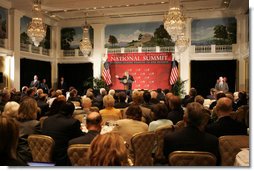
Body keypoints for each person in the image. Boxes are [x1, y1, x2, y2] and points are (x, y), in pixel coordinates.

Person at [42, 102, 83, 166]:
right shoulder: (73, 122)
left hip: (44, 154)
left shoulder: (47, 120)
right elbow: (80, 137)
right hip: (62, 158)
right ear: (72, 112)